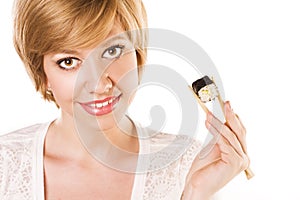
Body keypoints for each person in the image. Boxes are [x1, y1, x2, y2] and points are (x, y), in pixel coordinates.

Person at [0, 0, 251, 199]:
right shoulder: (5, 167)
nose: (99, 84)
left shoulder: (189, 165)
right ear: (42, 75)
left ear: (138, 52)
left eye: (112, 51)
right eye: (68, 62)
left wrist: (195, 194)